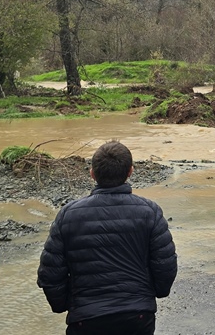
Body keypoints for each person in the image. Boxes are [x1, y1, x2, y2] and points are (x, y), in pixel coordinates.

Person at [38, 141, 177, 335]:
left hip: (86, 319)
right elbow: (165, 264)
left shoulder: (68, 215)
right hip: (137, 316)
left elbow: (50, 273)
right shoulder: (149, 212)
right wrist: (155, 293)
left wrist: (64, 305)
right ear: (130, 171)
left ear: (92, 174)